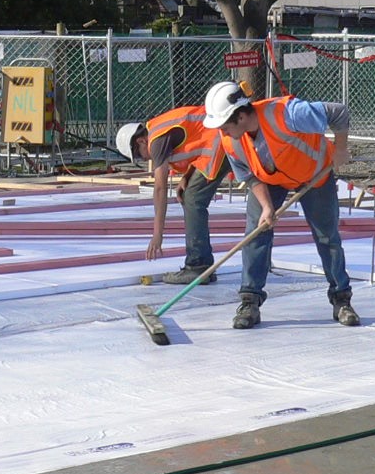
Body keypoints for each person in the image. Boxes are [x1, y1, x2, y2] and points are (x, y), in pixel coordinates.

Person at [201, 80, 359, 329]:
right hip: (270, 179)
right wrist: (266, 206)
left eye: (225, 126)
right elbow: (249, 177)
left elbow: (338, 112)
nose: (223, 132)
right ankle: (250, 301)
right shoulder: (231, 141)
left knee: (327, 236)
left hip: (314, 173)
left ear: (240, 116)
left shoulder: (287, 114)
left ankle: (341, 299)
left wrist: (340, 150)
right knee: (256, 232)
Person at [115, 108, 232, 285]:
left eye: (139, 155)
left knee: (193, 199)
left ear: (141, 141)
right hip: (219, 139)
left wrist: (157, 234)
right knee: (190, 196)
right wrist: (187, 177)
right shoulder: (158, 131)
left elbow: (160, 189)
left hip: (220, 141)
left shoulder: (156, 141)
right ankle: (204, 266)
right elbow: (197, 140)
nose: (144, 159)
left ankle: (197, 266)